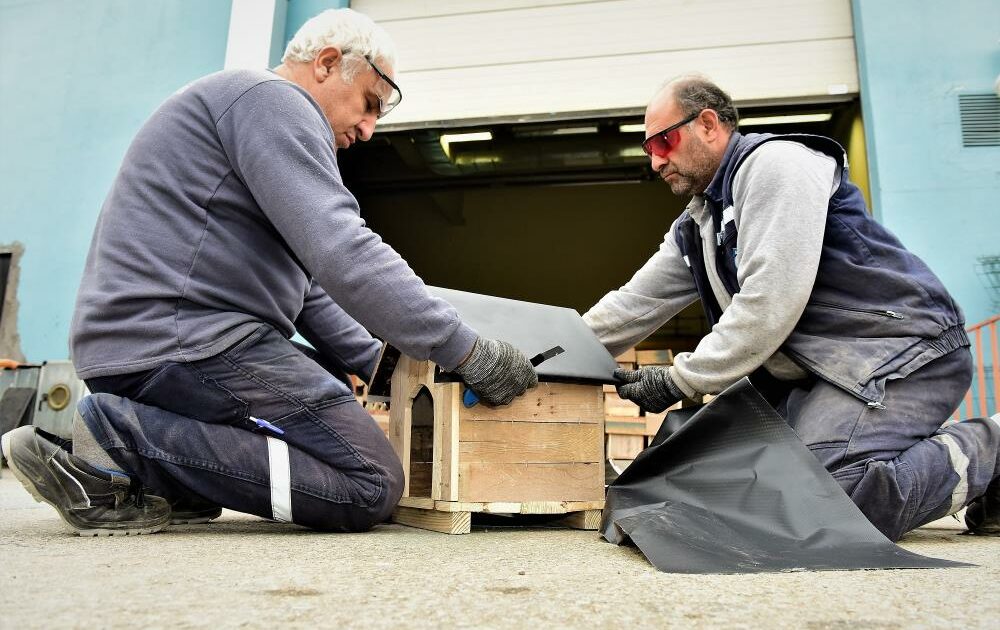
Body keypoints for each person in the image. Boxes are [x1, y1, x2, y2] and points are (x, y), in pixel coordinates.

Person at [0, 9, 537, 536]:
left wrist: (387, 366)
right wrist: (465, 350)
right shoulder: (271, 101)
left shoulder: (253, 118)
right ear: (327, 62)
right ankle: (113, 440)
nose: (371, 130)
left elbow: (308, 291)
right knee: (368, 481)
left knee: (327, 399)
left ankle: (163, 479)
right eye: (370, 104)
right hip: (182, 340)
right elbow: (344, 251)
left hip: (159, 344)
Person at [584, 75, 999, 541]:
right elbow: (632, 306)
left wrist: (681, 378)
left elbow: (769, 301)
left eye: (665, 140)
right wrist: (540, 355)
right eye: (649, 149)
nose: (657, 160)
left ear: (707, 124)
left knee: (829, 500)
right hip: (819, 378)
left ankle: (992, 447)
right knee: (722, 491)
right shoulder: (698, 223)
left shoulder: (777, 165)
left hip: (897, 352)